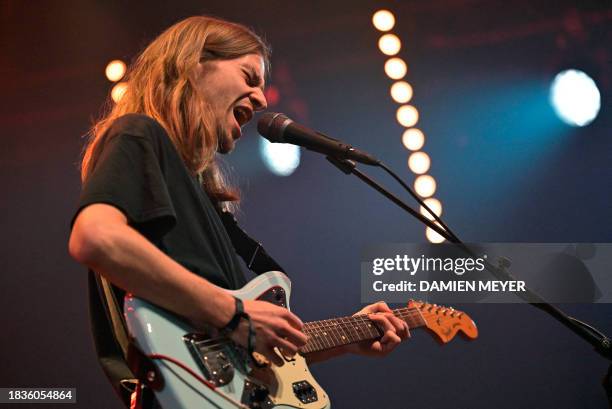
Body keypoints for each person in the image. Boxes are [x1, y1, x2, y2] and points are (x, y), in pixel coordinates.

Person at [68, 15, 409, 404]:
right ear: (194, 65)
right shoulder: (139, 132)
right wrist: (235, 314)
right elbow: (94, 237)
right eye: (249, 77)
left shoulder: (200, 194)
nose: (263, 99)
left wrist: (347, 339)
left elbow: (223, 356)